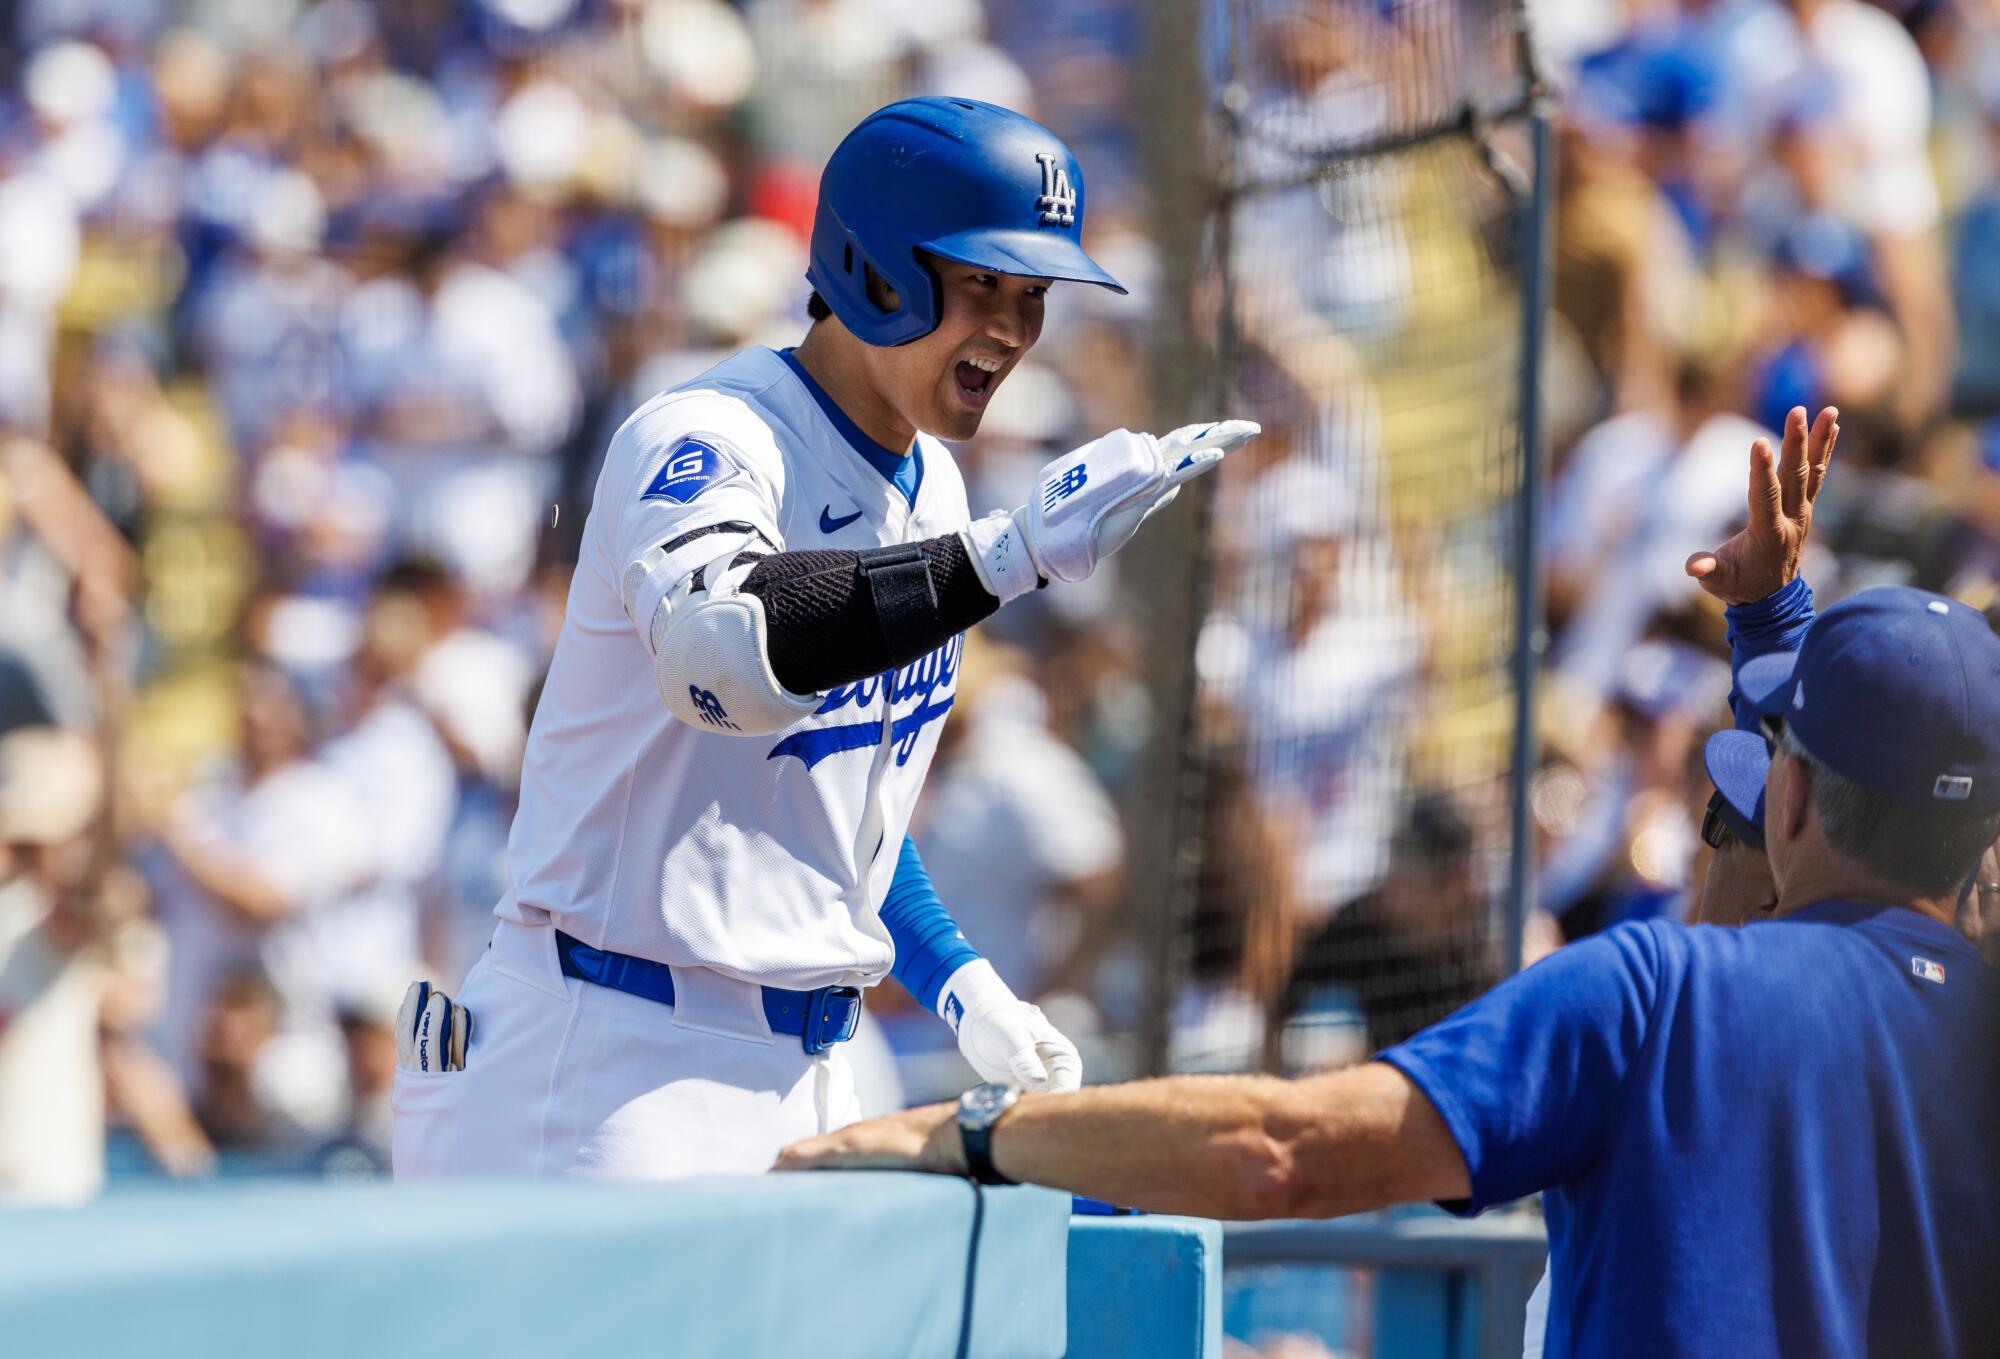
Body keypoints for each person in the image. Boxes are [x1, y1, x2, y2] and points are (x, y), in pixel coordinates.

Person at [783, 422, 2000, 1358]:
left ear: (1782, 799)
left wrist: (977, 1131)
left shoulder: (1657, 994)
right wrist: (1773, 644)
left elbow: (1281, 1155)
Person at [392, 97, 1258, 1181]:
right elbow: (724, 659)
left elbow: (841, 813)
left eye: (1031, 295)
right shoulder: (710, 433)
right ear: (877, 269)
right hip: (609, 1051)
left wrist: (960, 983)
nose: (1009, 328)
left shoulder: (936, 488)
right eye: (980, 282)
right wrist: (1006, 561)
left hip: (813, 1064)